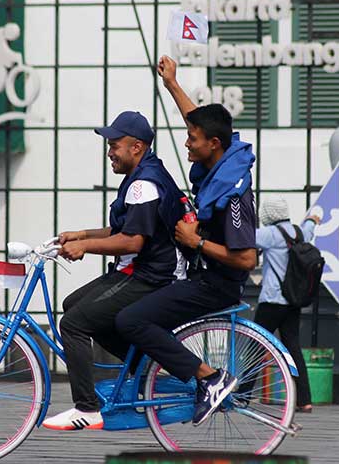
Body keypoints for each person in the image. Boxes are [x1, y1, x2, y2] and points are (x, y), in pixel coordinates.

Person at [115, 55, 257, 427]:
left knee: (131, 320)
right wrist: (172, 84)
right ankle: (146, 378)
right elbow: (199, 121)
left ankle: (210, 378)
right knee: (127, 308)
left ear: (213, 143)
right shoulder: (220, 157)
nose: (186, 144)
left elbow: (246, 260)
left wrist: (195, 244)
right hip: (199, 276)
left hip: (216, 286)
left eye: (192, 140)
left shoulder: (235, 192)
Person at [42, 111, 185, 431]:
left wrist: (85, 247)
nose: (109, 152)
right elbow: (126, 228)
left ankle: (87, 407)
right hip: (140, 269)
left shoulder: (143, 184)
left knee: (74, 323)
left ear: (136, 147)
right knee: (74, 305)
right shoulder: (147, 173)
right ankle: (145, 372)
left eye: (114, 145)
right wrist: (82, 234)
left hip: (149, 275)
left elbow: (133, 241)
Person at [252, 196, 320, 413]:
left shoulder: (270, 235)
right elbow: (311, 223)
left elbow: (242, 237)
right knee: (293, 348)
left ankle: (240, 393)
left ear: (268, 215)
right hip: (293, 301)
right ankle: (304, 400)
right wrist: (313, 218)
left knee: (255, 345)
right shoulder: (300, 232)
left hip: (272, 301)